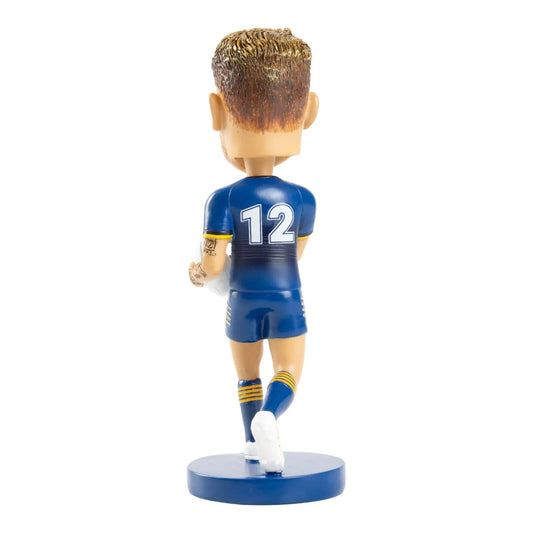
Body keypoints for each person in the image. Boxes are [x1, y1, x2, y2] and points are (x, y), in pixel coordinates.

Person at [189, 28, 319, 473]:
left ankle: (251, 440)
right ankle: (270, 415)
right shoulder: (303, 199)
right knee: (288, 369)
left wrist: (198, 272)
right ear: (308, 111)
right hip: (286, 296)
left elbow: (212, 266)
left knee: (247, 373)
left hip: (241, 300)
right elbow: (294, 255)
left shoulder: (222, 199)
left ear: (217, 111)